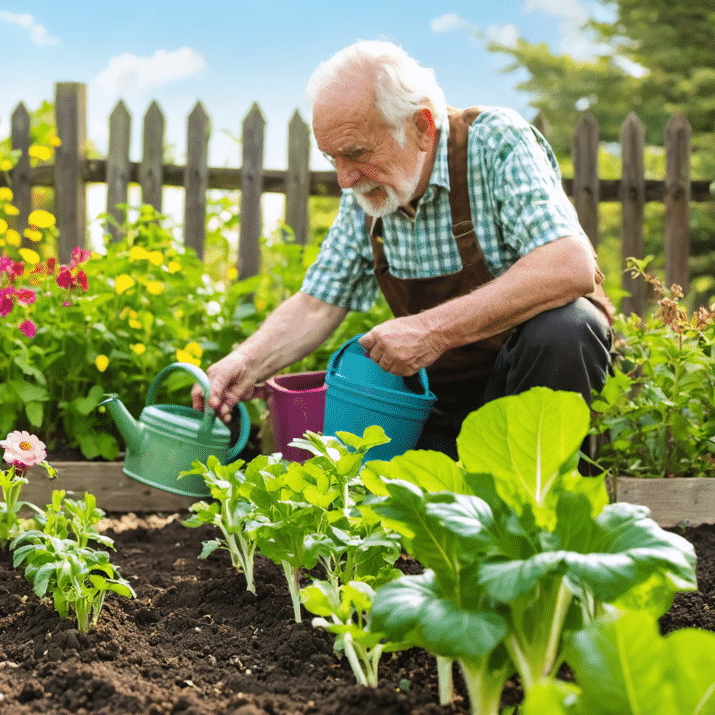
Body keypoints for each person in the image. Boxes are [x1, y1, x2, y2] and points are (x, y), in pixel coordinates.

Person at [198, 40, 613, 459]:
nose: (344, 178)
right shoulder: (369, 190)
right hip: (439, 400)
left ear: (422, 128)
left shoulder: (494, 143)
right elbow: (317, 304)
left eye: (356, 153)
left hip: (523, 394)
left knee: (567, 327)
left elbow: (569, 263)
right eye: (332, 158)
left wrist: (431, 330)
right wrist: (244, 363)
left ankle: (539, 505)